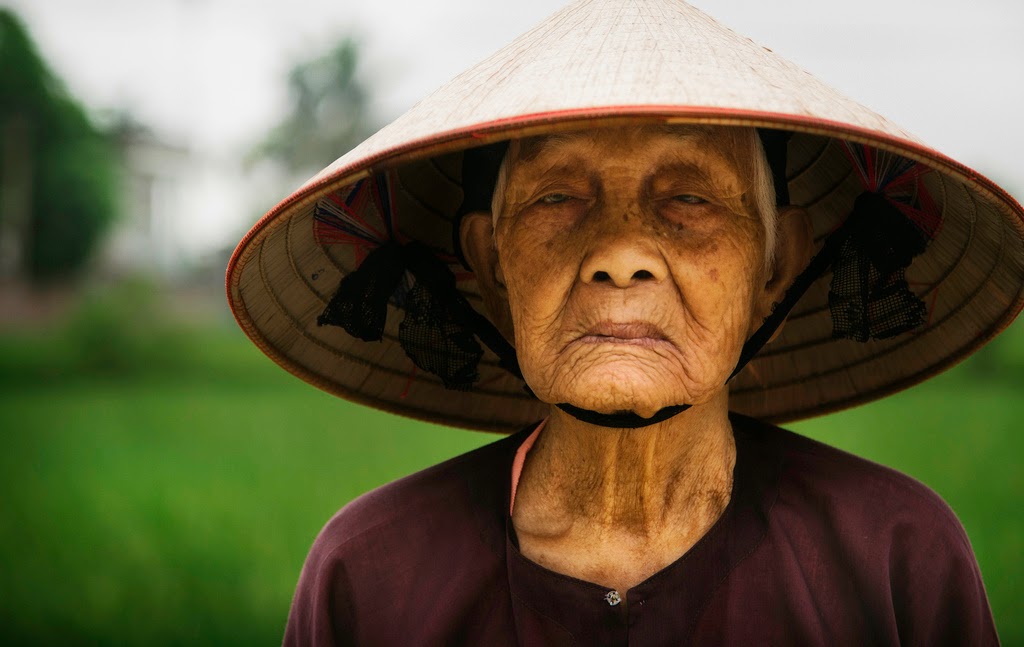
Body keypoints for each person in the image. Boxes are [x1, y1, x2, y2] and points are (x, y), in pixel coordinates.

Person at [226, 0, 1021, 644]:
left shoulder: (896, 559)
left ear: (774, 265)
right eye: (557, 198)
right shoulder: (369, 577)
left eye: (690, 198)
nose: (622, 254)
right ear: (492, 261)